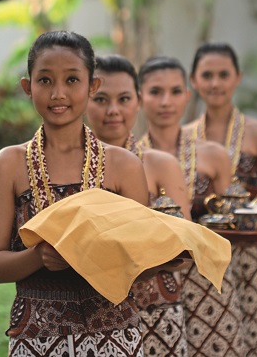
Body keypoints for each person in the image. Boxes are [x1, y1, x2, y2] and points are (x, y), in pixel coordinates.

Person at [0, 31, 151, 357]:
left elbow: (139, 261)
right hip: (39, 337)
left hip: (114, 335)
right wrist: (38, 257)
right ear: (27, 87)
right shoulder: (8, 165)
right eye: (45, 81)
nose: (58, 93)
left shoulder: (123, 166)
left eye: (72, 79)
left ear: (93, 87)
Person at [137, 55, 243, 357]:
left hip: (208, 281)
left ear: (186, 95)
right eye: (155, 92)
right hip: (154, 285)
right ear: (140, 97)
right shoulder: (130, 159)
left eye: (174, 92)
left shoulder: (214, 155)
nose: (165, 101)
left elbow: (231, 220)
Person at [86, 53, 191, 357]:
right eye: (101, 99)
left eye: (124, 98)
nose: (113, 110)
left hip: (157, 310)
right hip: (87, 311)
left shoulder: (159, 165)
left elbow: (185, 249)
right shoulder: (67, 169)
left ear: (138, 101)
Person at [189, 42, 257, 357]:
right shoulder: (185, 137)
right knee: (212, 339)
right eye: (207, 75)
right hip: (203, 255)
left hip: (250, 252)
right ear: (194, 80)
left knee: (255, 334)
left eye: (223, 74)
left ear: (237, 77)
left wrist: (210, 209)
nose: (215, 83)